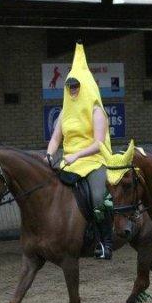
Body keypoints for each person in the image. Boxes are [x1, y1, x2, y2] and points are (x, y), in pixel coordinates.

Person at [45, 43, 114, 260]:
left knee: (97, 197)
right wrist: (49, 154)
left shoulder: (97, 110)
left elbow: (98, 143)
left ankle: (105, 243)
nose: (72, 89)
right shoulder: (65, 110)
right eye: (69, 86)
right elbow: (56, 137)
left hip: (93, 160)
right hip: (69, 161)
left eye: (75, 86)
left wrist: (76, 155)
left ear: (85, 86)